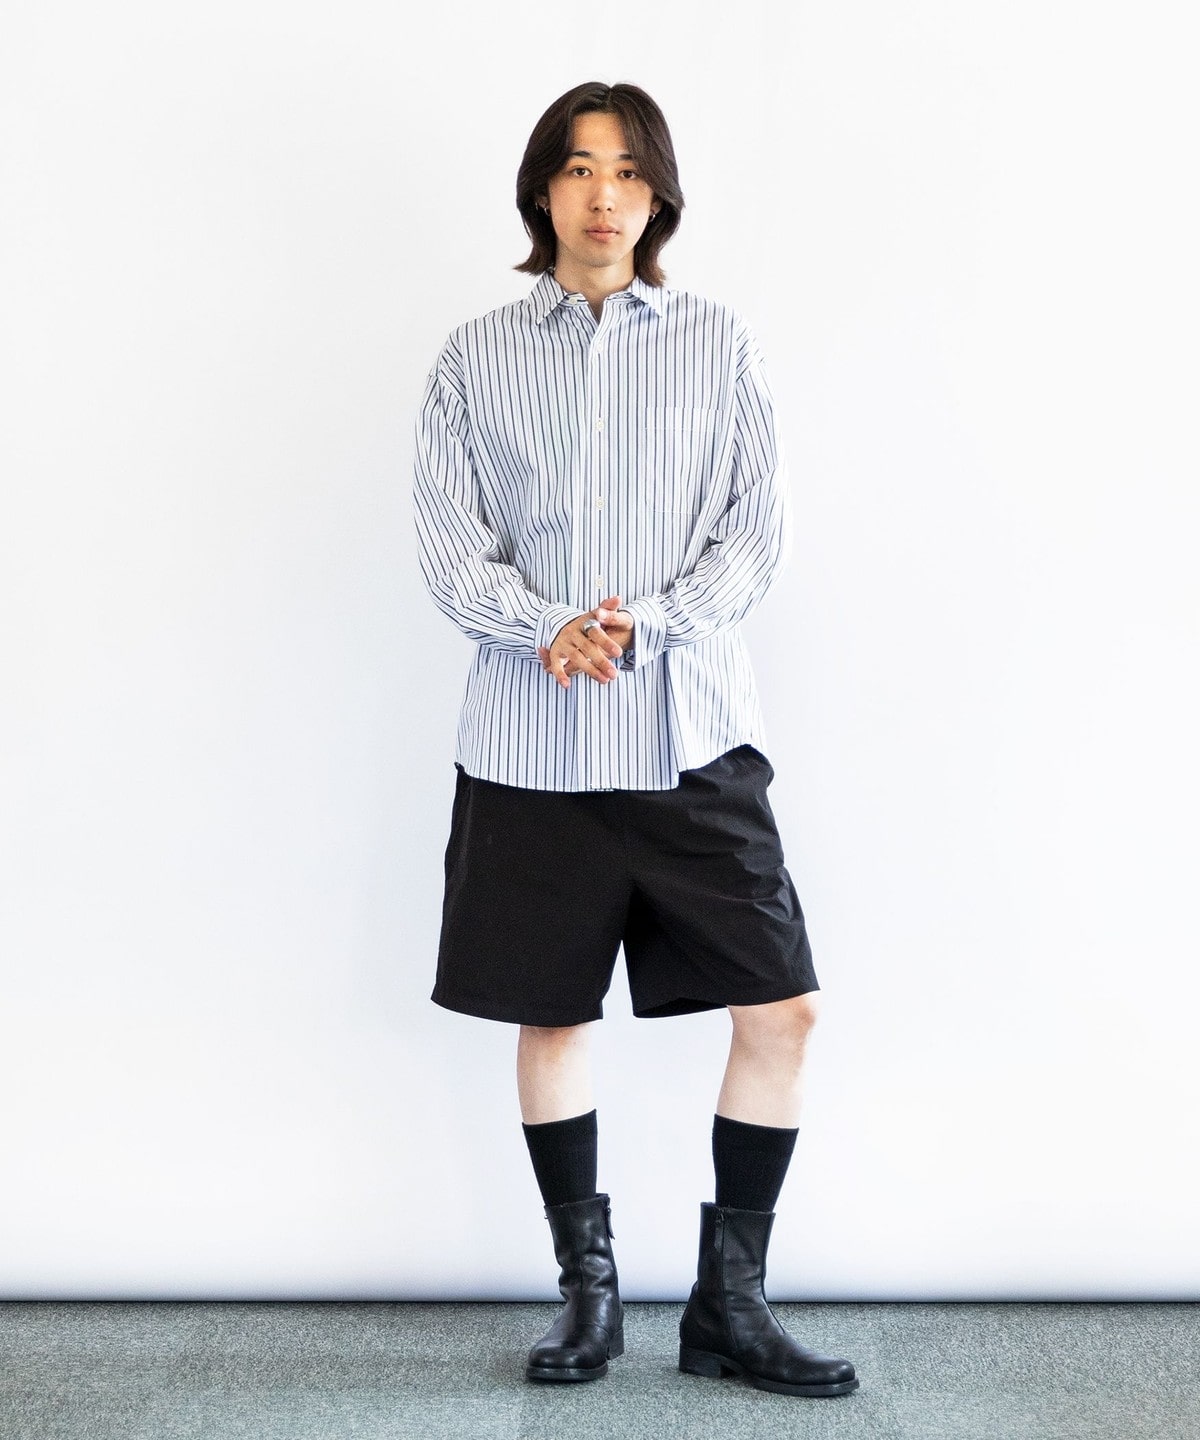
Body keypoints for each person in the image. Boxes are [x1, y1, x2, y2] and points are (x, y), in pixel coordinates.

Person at [413, 80, 858, 1400]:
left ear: (657, 194)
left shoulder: (719, 345)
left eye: (625, 170)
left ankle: (731, 1306)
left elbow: (754, 533)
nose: (601, 194)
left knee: (783, 1008)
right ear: (540, 192)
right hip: (533, 751)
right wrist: (543, 626)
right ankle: (586, 1298)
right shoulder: (474, 359)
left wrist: (648, 625)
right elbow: (448, 542)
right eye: (575, 167)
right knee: (552, 1017)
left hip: (691, 737)